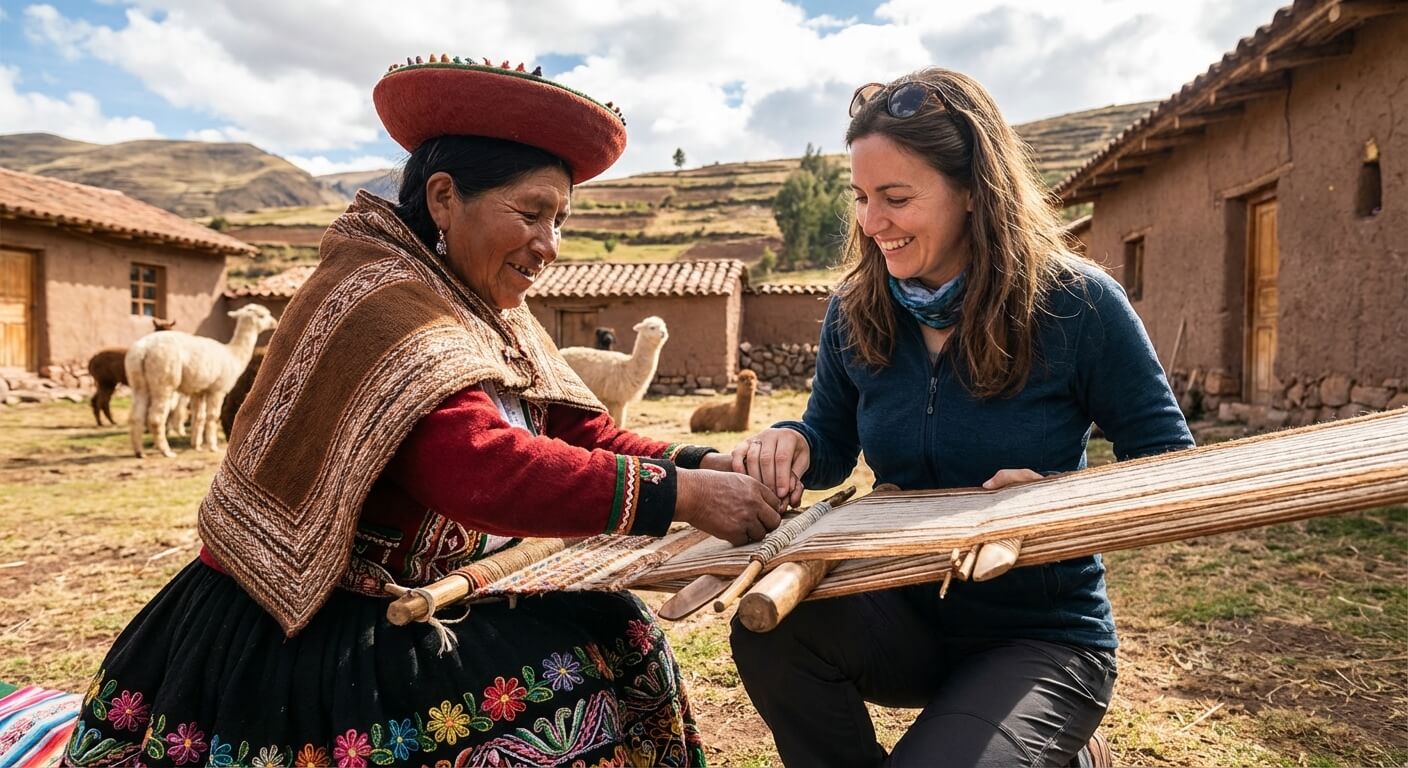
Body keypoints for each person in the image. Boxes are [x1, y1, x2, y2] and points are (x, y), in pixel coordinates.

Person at [63, 56, 783, 768]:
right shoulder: (381, 298)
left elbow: (578, 429)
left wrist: (701, 463)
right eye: (530, 213)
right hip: (327, 619)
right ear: (443, 198)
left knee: (620, 634)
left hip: (448, 588)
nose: (549, 246)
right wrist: (683, 497)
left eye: (559, 220)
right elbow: (474, 467)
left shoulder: (490, 308)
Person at [728, 67, 1194, 767]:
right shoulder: (858, 310)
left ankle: (1057, 744)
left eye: (895, 198)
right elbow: (829, 439)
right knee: (769, 630)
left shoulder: (1078, 304)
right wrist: (792, 441)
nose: (870, 222)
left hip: (1041, 635)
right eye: (860, 198)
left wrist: (1060, 502)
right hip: (905, 614)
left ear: (974, 192)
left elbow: (1171, 470)